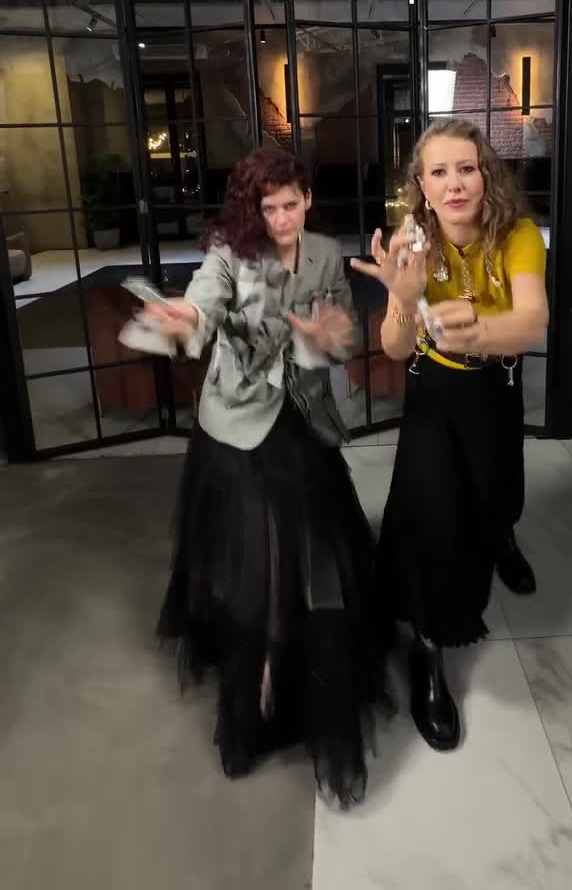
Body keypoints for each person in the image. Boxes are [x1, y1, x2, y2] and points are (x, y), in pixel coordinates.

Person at [143, 147, 391, 808]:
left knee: (316, 565)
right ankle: (252, 696)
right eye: (268, 207)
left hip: (302, 421)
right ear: (251, 208)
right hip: (237, 425)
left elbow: (343, 337)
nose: (281, 218)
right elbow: (204, 302)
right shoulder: (229, 252)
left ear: (307, 199)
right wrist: (187, 319)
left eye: (290, 204)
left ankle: (305, 679)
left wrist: (326, 336)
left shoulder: (326, 254)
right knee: (253, 566)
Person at [350, 119, 548, 752]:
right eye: (439, 172)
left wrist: (478, 333)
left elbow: (532, 321)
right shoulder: (413, 240)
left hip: (496, 386)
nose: (455, 183)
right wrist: (407, 299)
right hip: (434, 394)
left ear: (486, 175)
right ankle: (429, 653)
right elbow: (394, 346)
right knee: (433, 516)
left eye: (467, 168)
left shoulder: (517, 234)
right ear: (422, 185)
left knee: (496, 490)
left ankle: (502, 535)